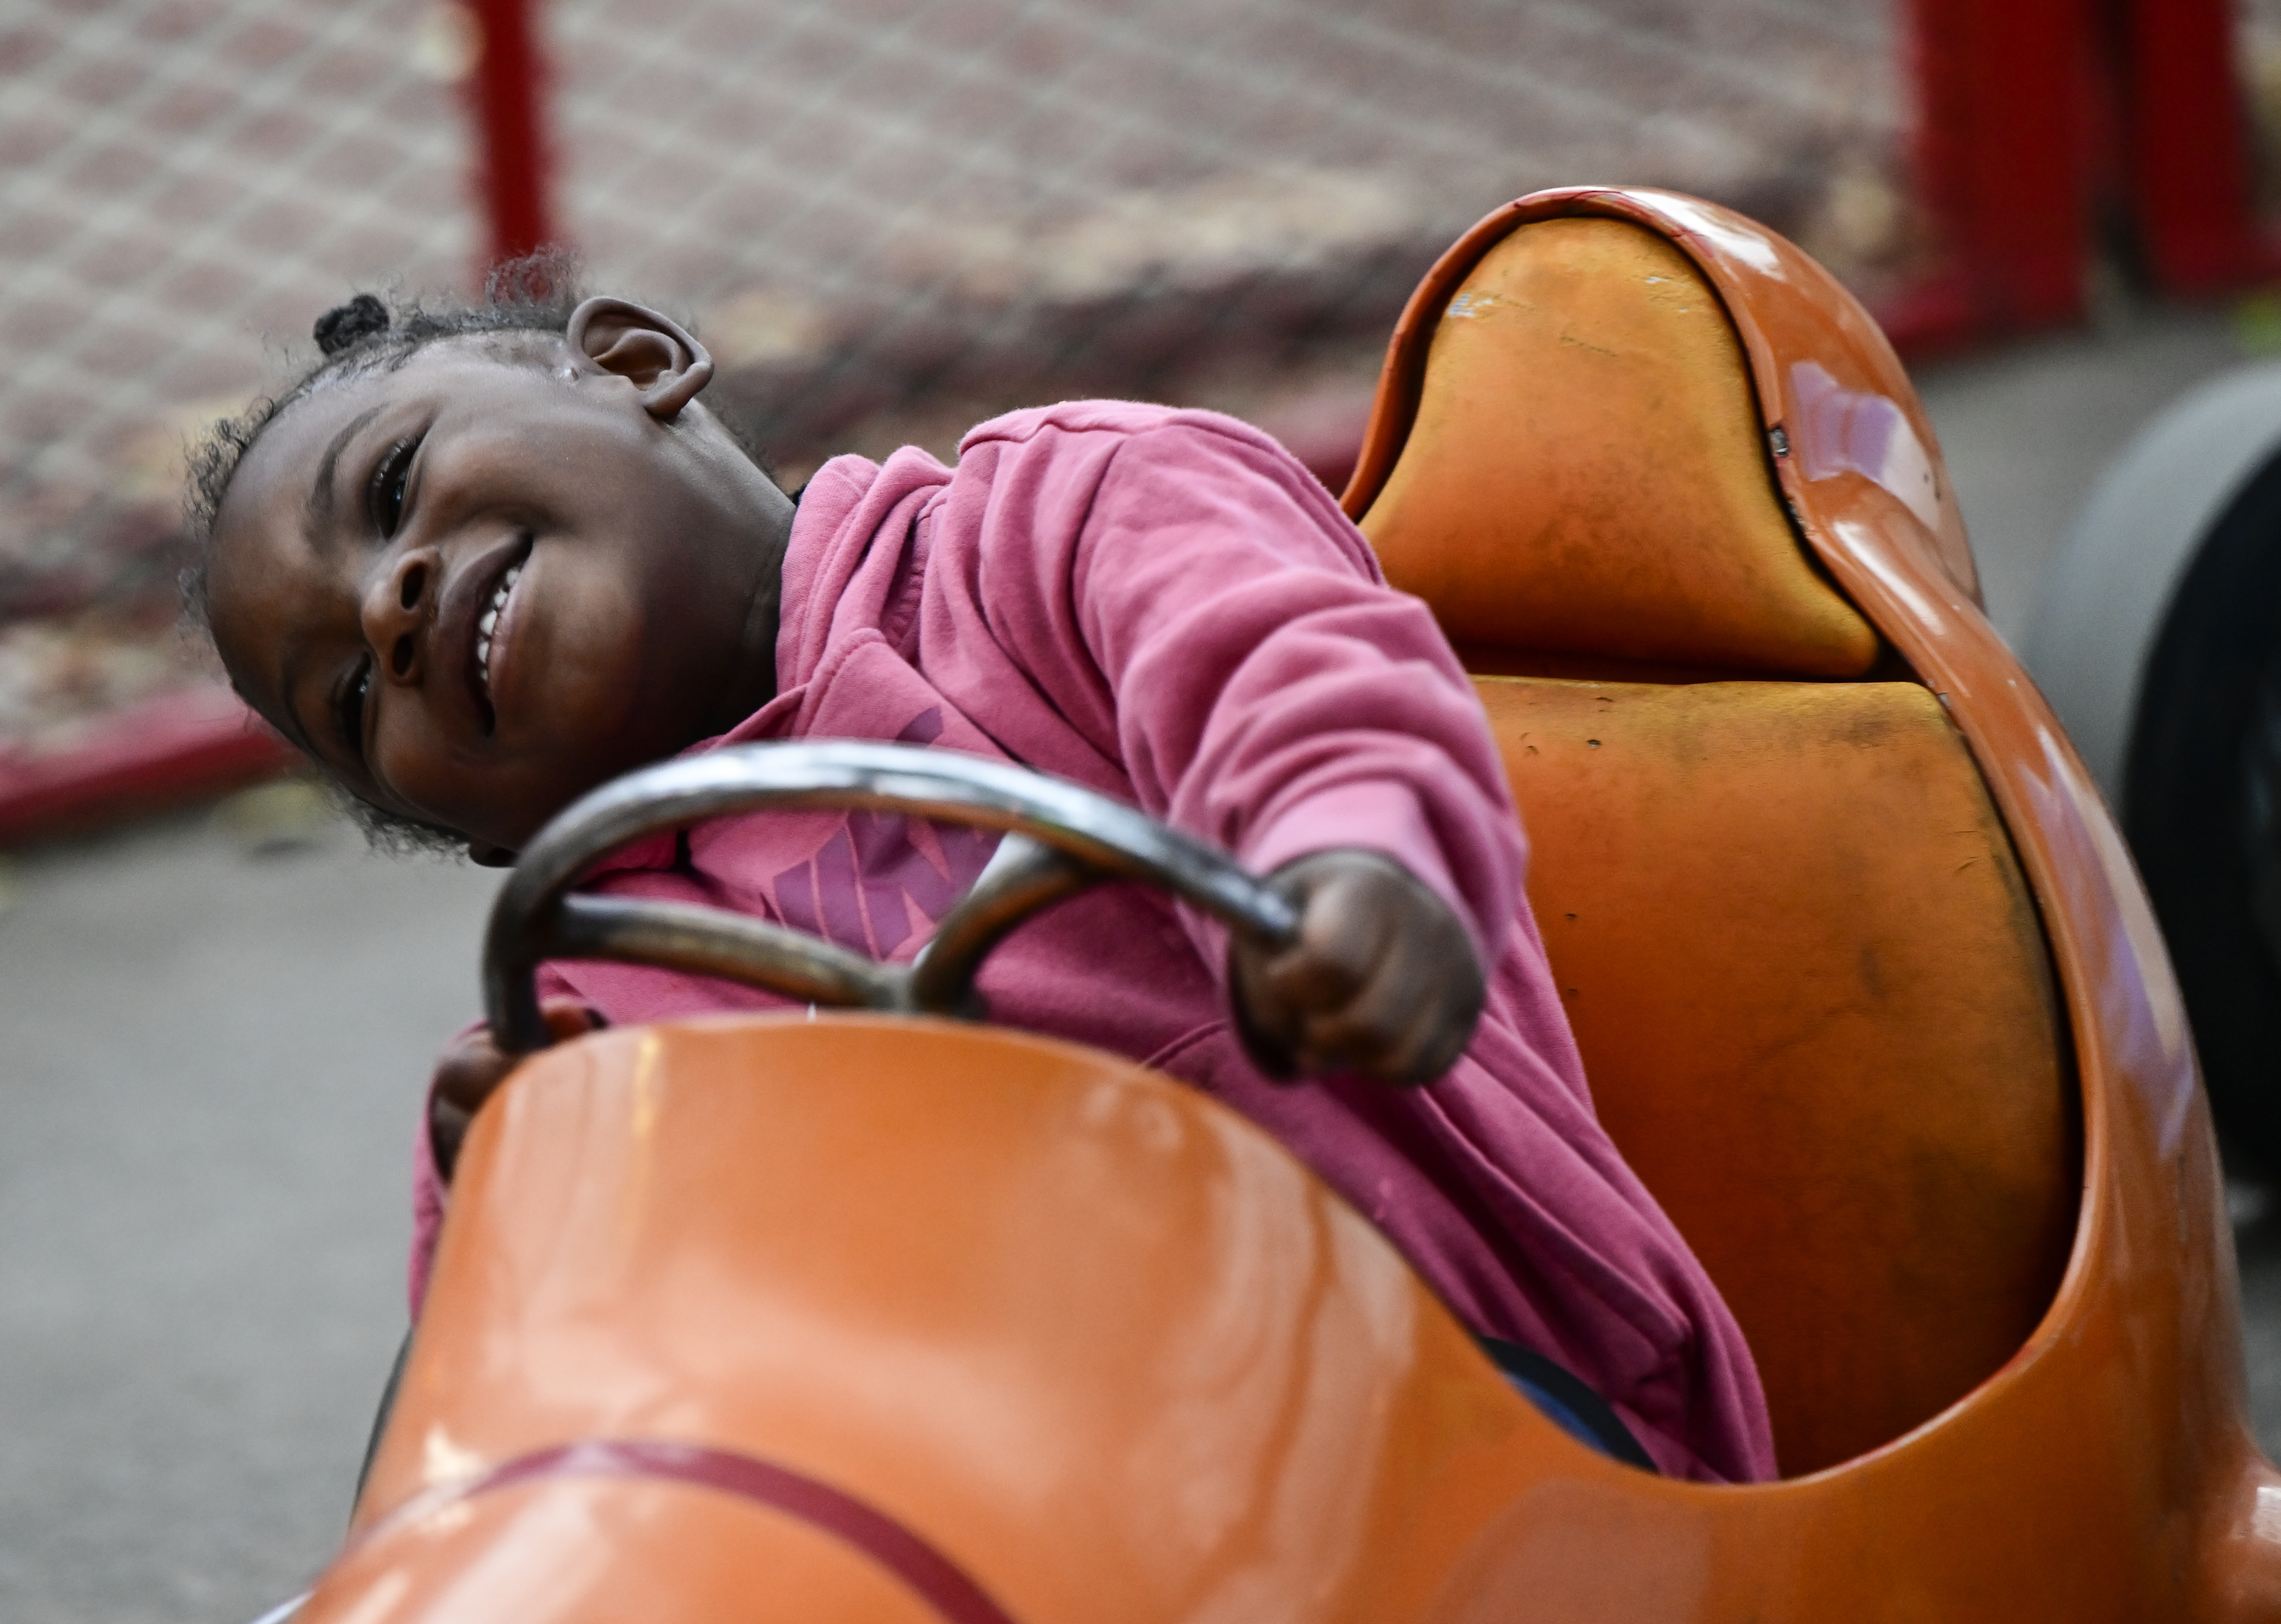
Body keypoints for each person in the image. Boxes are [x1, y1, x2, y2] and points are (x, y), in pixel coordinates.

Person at [185, 270, 1777, 1484]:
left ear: (637, 361)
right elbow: (564, 1460)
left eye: (392, 489)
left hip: (1482, 1418)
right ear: (490, 843)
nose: (388, 607)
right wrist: (532, 1231)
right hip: (1002, 1528)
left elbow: (1285, 669)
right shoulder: (594, 1006)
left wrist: (1350, 859)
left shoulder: (1058, 517)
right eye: (349, 701)